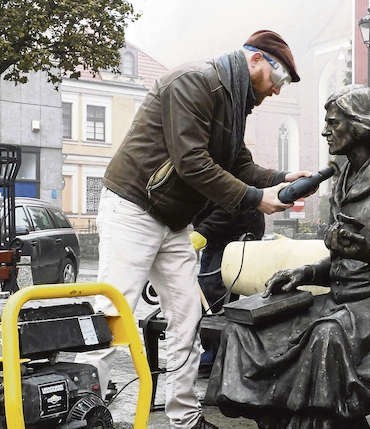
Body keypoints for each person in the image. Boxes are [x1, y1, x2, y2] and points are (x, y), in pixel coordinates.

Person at [76, 30, 309, 429]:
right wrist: (256, 198)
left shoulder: (234, 103)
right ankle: (78, 411)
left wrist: (284, 177)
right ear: (255, 61)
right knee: (114, 313)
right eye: (279, 80)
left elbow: (240, 165)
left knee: (186, 318)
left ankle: (184, 417)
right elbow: (192, 163)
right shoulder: (195, 81)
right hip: (133, 207)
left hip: (173, 220)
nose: (276, 91)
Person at [205, 85, 370, 428]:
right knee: (249, 327)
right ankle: (275, 420)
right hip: (342, 301)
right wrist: (306, 273)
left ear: (360, 125)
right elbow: (346, 262)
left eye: (334, 122)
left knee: (327, 333)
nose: (326, 130)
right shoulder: (344, 181)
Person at [190, 203, 265, 372]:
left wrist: (202, 232)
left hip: (235, 234)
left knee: (214, 292)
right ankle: (214, 351)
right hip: (217, 235)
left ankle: (218, 354)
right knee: (206, 291)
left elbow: (232, 205)